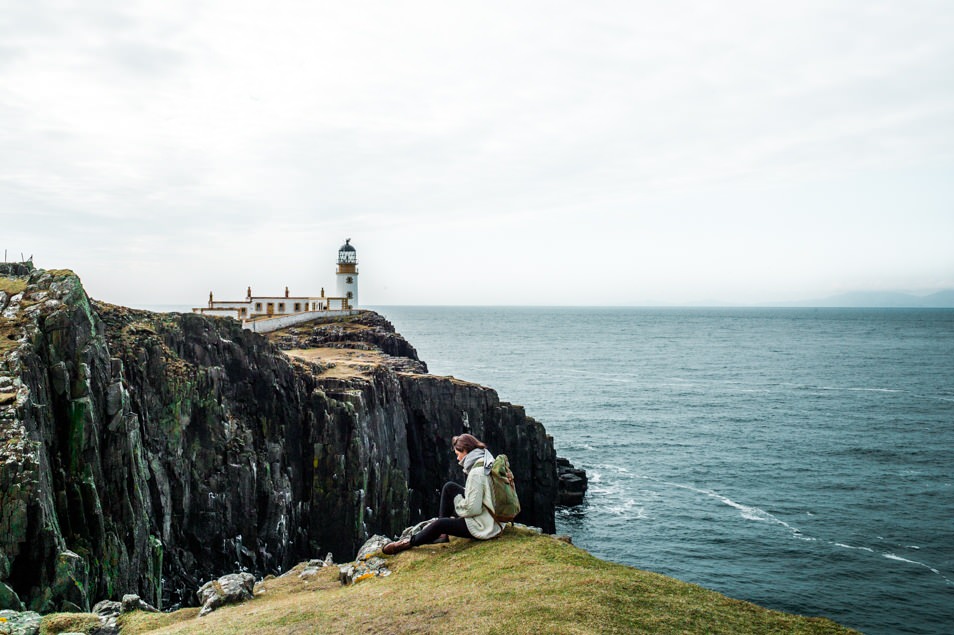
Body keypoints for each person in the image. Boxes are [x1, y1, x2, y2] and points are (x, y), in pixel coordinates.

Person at [382, 433, 503, 555]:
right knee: (449, 487)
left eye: (458, 454)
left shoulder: (476, 473)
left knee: (440, 524)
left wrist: (458, 502)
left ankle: (408, 542)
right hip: (494, 518)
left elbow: (473, 509)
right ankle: (442, 535)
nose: (458, 459)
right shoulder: (487, 460)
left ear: (465, 450)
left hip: (484, 526)